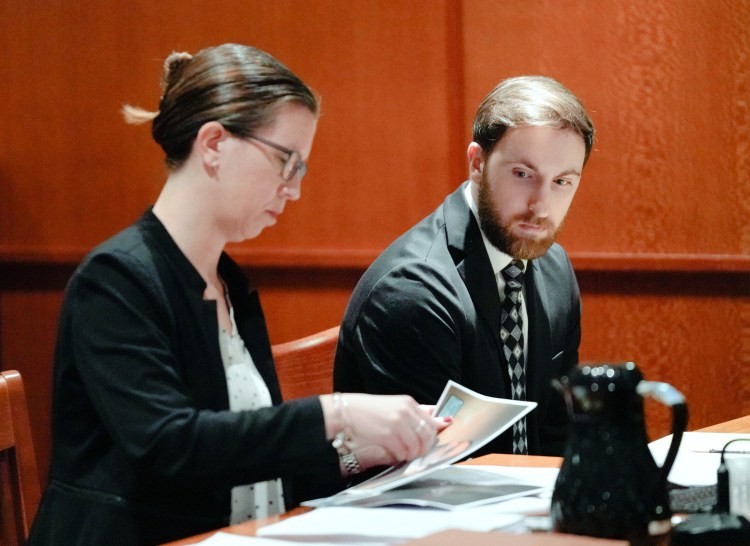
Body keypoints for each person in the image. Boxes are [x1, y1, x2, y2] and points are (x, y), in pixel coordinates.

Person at [28, 44, 446, 546]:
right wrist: (338, 414)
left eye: (302, 169)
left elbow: (250, 460)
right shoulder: (115, 280)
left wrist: (364, 450)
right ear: (213, 144)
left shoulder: (229, 283)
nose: (293, 189)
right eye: (285, 161)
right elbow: (171, 445)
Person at [333, 75, 595, 458]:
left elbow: (558, 431)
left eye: (561, 181)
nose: (541, 205)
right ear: (477, 163)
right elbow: (435, 465)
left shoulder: (554, 268)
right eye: (522, 174)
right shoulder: (412, 291)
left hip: (522, 502)